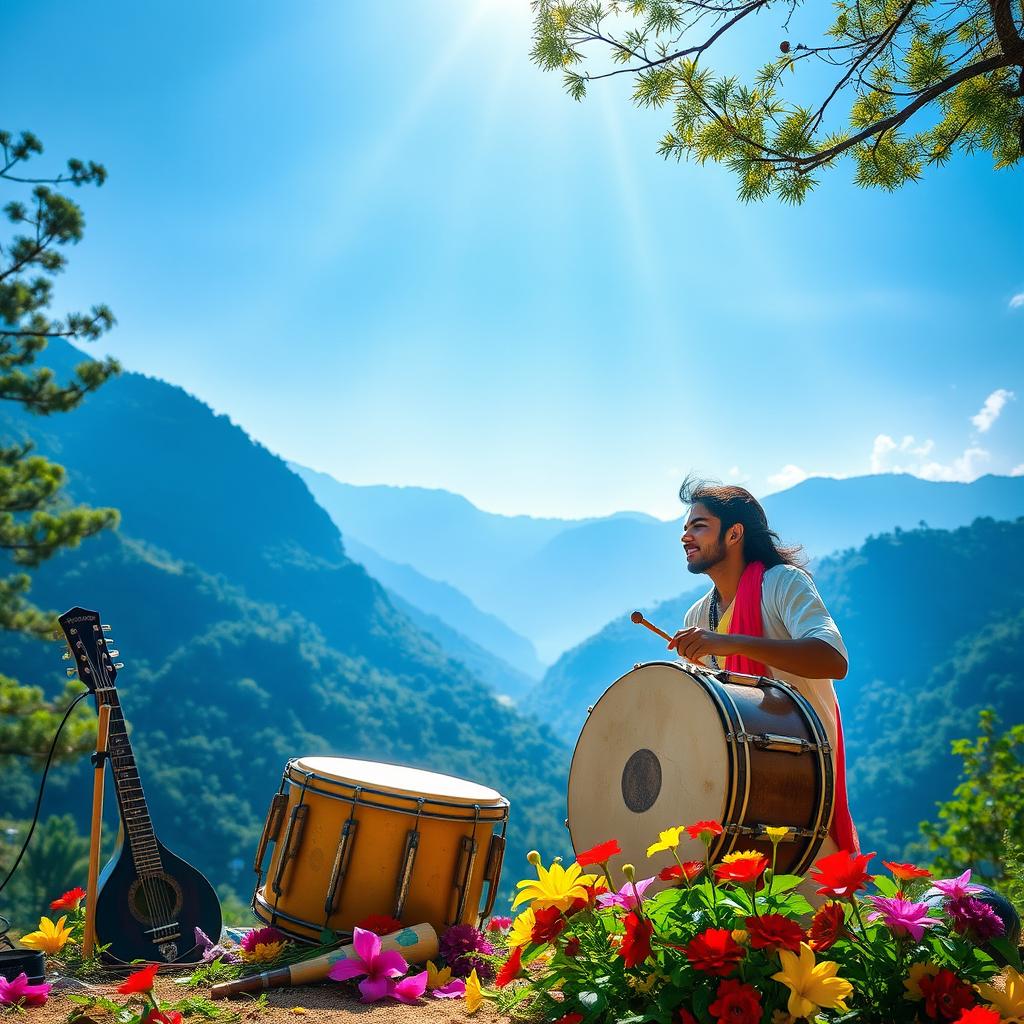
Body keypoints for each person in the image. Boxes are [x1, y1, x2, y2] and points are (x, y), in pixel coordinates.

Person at [668, 475, 859, 862]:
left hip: (802, 786)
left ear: (734, 534)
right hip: (731, 792)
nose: (686, 536)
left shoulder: (783, 584)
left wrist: (728, 642)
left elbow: (833, 658)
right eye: (685, 528)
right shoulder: (697, 615)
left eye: (699, 526)